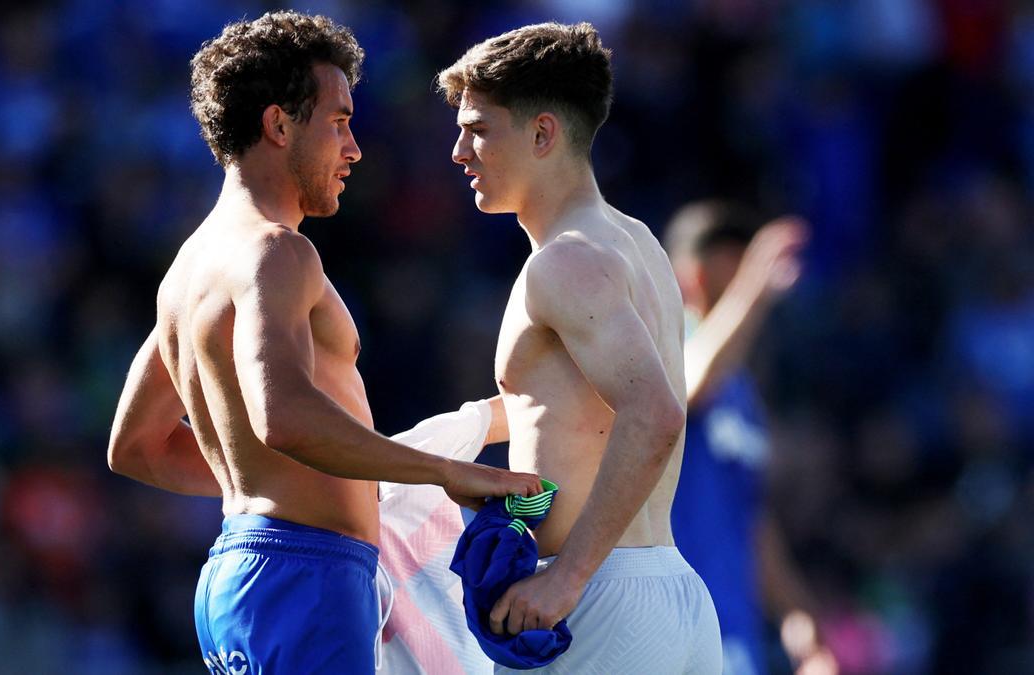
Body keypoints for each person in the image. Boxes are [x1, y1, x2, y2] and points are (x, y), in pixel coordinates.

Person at [104, 12, 543, 674]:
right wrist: (444, 470)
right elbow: (282, 416)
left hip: (243, 571)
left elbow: (135, 446)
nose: (354, 147)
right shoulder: (278, 252)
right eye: (338, 121)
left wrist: (266, 482)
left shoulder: (187, 269)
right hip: (305, 575)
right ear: (279, 126)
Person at [436, 22, 721, 673]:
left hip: (599, 598)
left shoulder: (564, 262)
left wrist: (567, 578)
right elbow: (576, 405)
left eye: (478, 129)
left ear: (542, 134)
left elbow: (654, 411)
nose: (458, 151)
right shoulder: (638, 243)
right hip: (665, 589)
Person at [665, 201, 838, 675]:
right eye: (734, 266)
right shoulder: (657, 347)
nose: (749, 278)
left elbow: (750, 518)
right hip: (670, 625)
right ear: (691, 274)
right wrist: (754, 292)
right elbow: (688, 388)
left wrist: (796, 614)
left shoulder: (742, 391)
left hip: (734, 630)